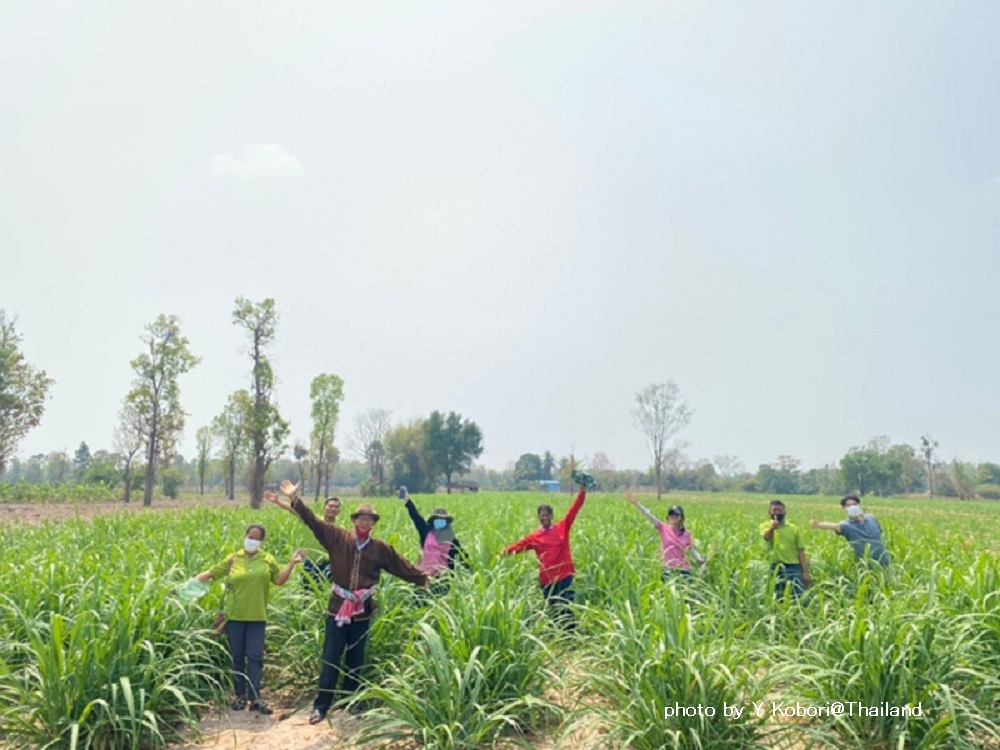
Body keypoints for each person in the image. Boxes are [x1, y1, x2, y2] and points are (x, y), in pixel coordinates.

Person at [267, 481, 428, 724]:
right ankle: (321, 706)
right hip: (337, 608)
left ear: (374, 524)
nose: (364, 523)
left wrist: (423, 578)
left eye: (369, 520)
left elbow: (399, 565)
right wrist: (295, 500)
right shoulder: (337, 538)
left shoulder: (380, 548)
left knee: (355, 658)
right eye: (360, 519)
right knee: (331, 656)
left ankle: (351, 702)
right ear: (354, 521)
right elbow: (313, 522)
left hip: (362, 610)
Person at [195, 525, 305, 714]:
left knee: (255, 657)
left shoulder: (267, 559)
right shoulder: (233, 559)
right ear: (245, 536)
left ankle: (255, 698)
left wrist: (292, 564)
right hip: (234, 617)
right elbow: (210, 573)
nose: (252, 540)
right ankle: (239, 697)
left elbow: (278, 580)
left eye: (257, 538)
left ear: (262, 541)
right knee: (237, 657)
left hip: (257, 617)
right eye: (250, 536)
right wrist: (185, 586)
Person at [503, 480, 587, 627]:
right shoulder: (534, 537)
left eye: (547, 515)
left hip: (564, 575)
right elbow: (519, 546)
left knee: (566, 608)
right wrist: (504, 552)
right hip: (547, 579)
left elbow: (574, 510)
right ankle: (558, 639)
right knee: (553, 609)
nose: (545, 517)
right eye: (542, 515)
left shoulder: (562, 527)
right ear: (539, 517)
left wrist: (582, 492)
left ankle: (571, 637)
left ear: (551, 515)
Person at [626, 494, 707, 578]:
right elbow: (648, 515)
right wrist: (637, 504)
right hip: (667, 568)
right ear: (668, 517)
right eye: (671, 515)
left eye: (676, 515)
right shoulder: (663, 528)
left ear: (681, 517)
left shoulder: (686, 533)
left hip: (683, 569)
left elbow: (691, 550)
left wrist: (699, 559)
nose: (674, 517)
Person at [269, 494, 342, 585]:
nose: (333, 509)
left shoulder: (340, 529)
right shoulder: (313, 520)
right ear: (324, 508)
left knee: (326, 592)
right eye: (330, 506)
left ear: (339, 511)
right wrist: (278, 502)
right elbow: (293, 510)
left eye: (336, 507)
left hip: (328, 565)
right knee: (307, 591)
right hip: (310, 562)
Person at [810, 494, 890, 567]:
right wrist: (818, 525)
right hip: (866, 564)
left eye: (854, 504)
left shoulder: (872, 518)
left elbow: (880, 534)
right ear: (844, 508)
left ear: (859, 505)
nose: (852, 507)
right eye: (848, 505)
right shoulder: (846, 525)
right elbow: (834, 526)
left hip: (884, 560)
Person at [401, 488, 465, 576]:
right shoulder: (427, 531)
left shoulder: (451, 539)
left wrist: (472, 570)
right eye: (437, 519)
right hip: (424, 575)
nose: (439, 522)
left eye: (442, 520)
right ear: (433, 521)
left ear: (446, 523)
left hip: (443, 578)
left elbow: (462, 557)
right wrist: (408, 501)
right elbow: (416, 517)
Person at [760, 500, 812, 598]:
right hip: (775, 567)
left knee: (798, 595)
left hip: (794, 567)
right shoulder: (765, 526)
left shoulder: (793, 528)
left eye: (780, 510)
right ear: (769, 512)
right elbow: (767, 538)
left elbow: (801, 550)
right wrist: (772, 528)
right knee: (777, 595)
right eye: (774, 510)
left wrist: (805, 572)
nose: (777, 513)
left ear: (785, 512)